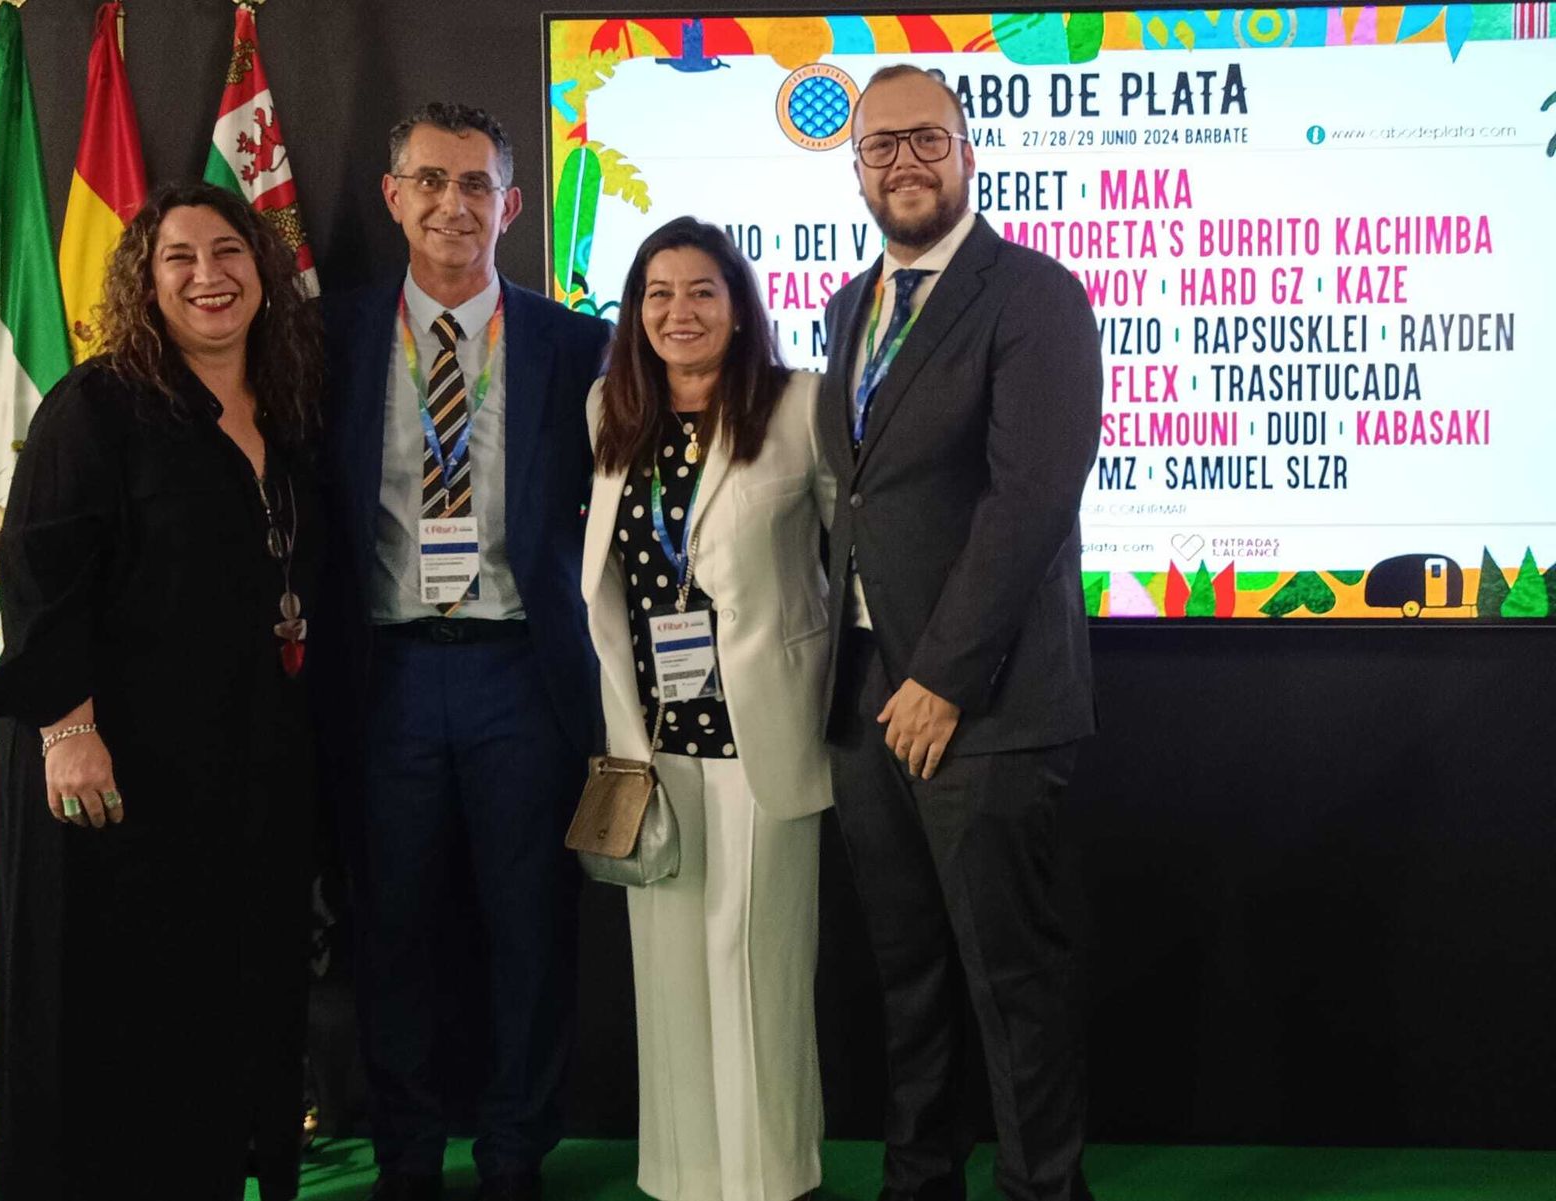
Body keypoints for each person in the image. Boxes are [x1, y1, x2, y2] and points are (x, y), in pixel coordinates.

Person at [0, 181, 324, 1201]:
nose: (210, 276)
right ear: (145, 283)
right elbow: (35, 574)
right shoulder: (100, 404)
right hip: (112, 770)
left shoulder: (288, 404)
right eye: (180, 259)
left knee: (216, 1001)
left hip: (238, 765)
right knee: (113, 1006)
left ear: (262, 266)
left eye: (228, 252)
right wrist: (69, 728)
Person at [818, 66, 1103, 1201]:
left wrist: (939, 674)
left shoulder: (1034, 295)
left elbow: (1031, 496)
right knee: (905, 973)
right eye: (880, 148)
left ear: (969, 150)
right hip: (861, 699)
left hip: (980, 702)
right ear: (856, 168)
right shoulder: (851, 306)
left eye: (924, 141)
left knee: (1009, 975)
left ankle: (1045, 1187)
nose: (903, 164)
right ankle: (917, 1177)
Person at [317, 103, 609, 1201]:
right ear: (392, 195)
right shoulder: (329, 337)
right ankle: (404, 1155)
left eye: (476, 185)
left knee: (529, 924)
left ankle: (513, 1153)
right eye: (430, 181)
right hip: (384, 674)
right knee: (390, 925)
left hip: (519, 675)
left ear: (512, 205)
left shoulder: (575, 343)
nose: (453, 204)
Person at [582, 216, 835, 1201]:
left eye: (700, 292)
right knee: (671, 973)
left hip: (762, 726)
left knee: (756, 961)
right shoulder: (611, 406)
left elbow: (842, 561)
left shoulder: (798, 405)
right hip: (649, 735)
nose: (678, 311)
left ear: (738, 309)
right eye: (657, 294)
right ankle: (685, 1176)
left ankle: (770, 1177)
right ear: (635, 313)